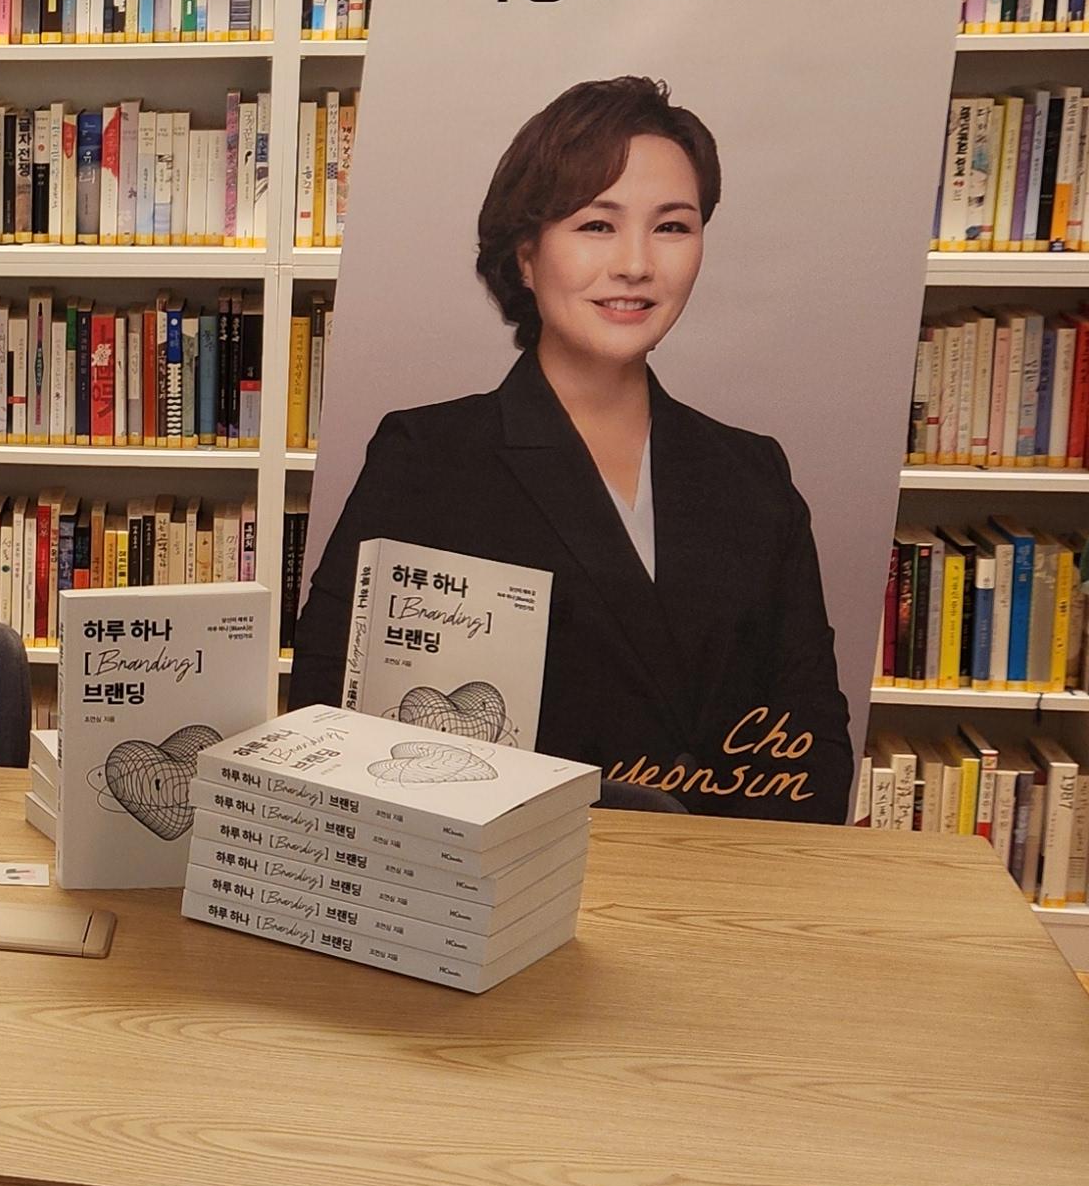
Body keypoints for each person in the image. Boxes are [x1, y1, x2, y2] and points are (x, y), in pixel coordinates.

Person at [292, 74, 854, 821]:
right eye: (596, 225)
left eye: (672, 227)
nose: (635, 264)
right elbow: (328, 718)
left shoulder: (754, 474)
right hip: (508, 879)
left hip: (727, 878)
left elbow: (814, 747)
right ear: (526, 255)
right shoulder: (427, 458)